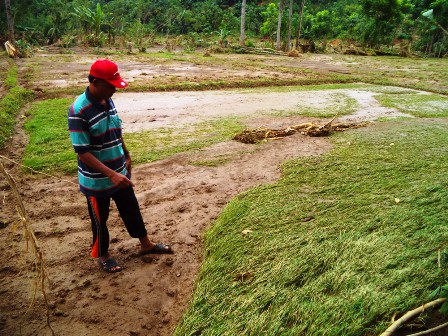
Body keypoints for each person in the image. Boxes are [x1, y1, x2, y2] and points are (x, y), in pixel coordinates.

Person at [68, 59, 173, 273]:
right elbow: (82, 152)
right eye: (110, 85)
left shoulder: (107, 99)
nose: (115, 89)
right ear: (96, 82)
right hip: (96, 180)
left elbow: (116, 128)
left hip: (119, 170)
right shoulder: (78, 110)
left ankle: (146, 244)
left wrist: (126, 153)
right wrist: (111, 175)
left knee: (131, 208)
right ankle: (103, 255)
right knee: (100, 219)